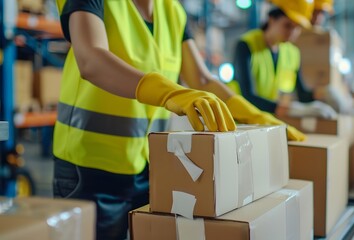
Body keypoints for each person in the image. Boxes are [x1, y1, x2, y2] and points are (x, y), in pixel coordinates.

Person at [53, 0, 306, 239]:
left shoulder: (171, 11)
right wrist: (170, 92)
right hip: (88, 167)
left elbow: (202, 79)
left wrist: (256, 116)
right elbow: (90, 59)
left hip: (147, 167)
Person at [233, 0, 338, 121]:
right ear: (271, 19)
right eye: (288, 25)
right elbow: (247, 96)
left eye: (297, 27)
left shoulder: (291, 53)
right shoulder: (247, 45)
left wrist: (322, 94)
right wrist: (289, 109)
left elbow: (302, 94)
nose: (292, 32)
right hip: (240, 121)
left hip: (266, 121)